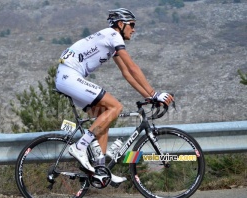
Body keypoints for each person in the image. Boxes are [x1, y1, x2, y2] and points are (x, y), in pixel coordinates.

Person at [55, 8, 174, 184]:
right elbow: (133, 67)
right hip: (69, 75)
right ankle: (80, 147)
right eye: (131, 25)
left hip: (67, 77)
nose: (133, 29)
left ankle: (100, 171)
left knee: (104, 116)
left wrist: (149, 96)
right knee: (116, 107)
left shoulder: (111, 41)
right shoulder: (113, 35)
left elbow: (126, 73)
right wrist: (155, 93)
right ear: (121, 24)